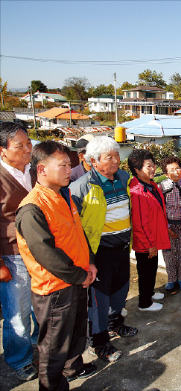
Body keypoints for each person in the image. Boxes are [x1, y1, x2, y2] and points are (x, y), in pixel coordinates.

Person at [16, 141, 97, 390]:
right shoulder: (32, 208)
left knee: (75, 334)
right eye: (62, 165)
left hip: (77, 279)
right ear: (41, 169)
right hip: (55, 290)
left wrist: (91, 263)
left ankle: (73, 368)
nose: (68, 170)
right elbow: (47, 255)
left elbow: (78, 234)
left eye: (69, 165)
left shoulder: (63, 196)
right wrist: (79, 275)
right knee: (53, 347)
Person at [70, 136, 138, 363]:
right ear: (93, 161)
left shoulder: (124, 178)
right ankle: (99, 342)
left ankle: (116, 323)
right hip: (99, 252)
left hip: (122, 247)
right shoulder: (81, 187)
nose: (116, 160)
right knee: (98, 300)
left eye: (117, 155)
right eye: (109, 157)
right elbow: (74, 226)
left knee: (120, 290)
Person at [0, 122, 39, 381]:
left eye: (28, 143)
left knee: (41, 304)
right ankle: (19, 358)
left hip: (41, 250)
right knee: (18, 312)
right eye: (20, 146)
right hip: (13, 255)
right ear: (3, 150)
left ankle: (37, 342)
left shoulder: (34, 171)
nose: (28, 149)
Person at [128, 149, 170, 311]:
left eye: (153, 165)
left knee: (151, 269)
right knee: (145, 272)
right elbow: (139, 223)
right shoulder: (137, 191)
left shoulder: (150, 185)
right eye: (148, 167)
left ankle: (150, 293)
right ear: (137, 170)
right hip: (145, 242)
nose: (153, 169)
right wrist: (149, 245)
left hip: (152, 237)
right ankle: (144, 303)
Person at [159, 156, 181, 293]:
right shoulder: (162, 186)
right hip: (169, 225)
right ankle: (171, 279)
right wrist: (167, 228)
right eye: (172, 170)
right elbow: (160, 208)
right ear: (166, 174)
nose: (176, 172)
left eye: (178, 168)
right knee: (169, 254)